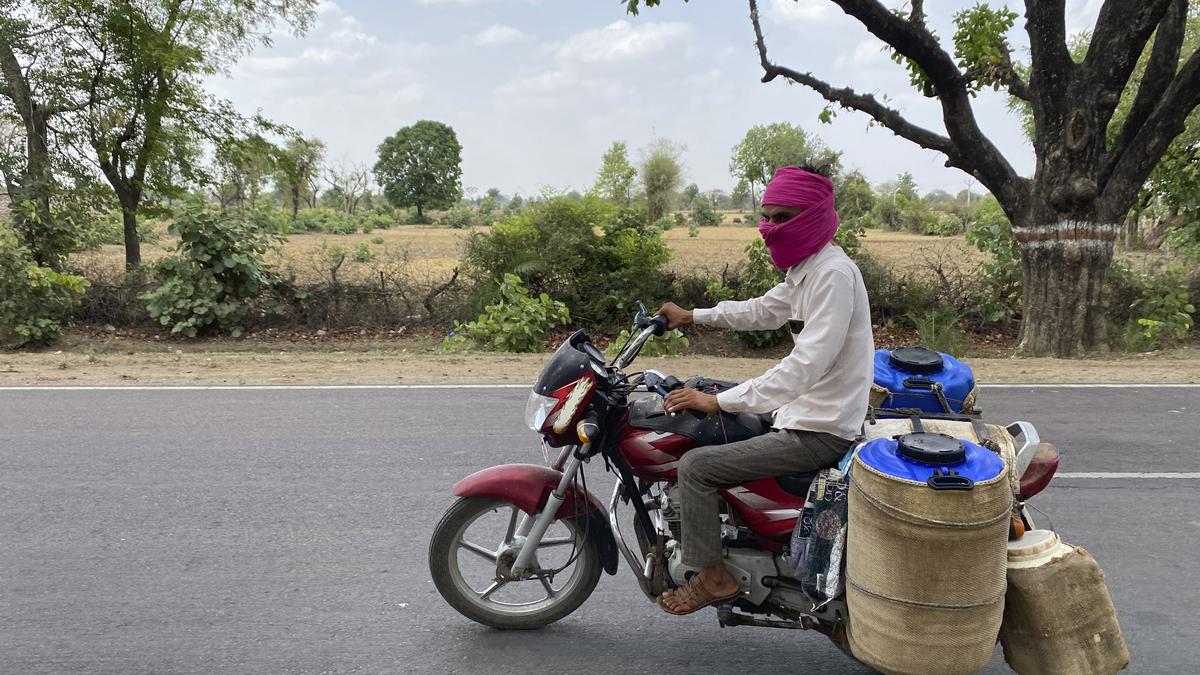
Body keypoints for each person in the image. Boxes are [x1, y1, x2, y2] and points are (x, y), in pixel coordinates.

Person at [654, 165, 874, 616]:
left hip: (819, 429)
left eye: (782, 216)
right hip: (803, 411)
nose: (770, 228)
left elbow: (805, 366)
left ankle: (713, 577)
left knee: (695, 467)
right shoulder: (809, 270)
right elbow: (762, 310)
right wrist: (693, 316)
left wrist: (717, 400)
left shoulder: (832, 275)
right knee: (716, 424)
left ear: (813, 216)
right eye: (767, 216)